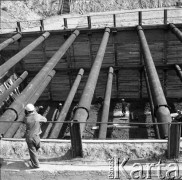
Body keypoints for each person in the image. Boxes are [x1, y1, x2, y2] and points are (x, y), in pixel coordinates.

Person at [24, 103, 47, 168]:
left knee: (32, 151)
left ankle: (35, 163)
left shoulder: (26, 118)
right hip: (37, 137)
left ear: (27, 111)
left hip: (29, 137)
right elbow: (45, 120)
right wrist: (36, 113)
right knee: (36, 148)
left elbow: (26, 118)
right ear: (33, 110)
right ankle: (35, 162)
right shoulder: (37, 116)